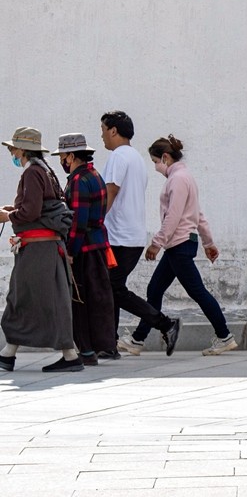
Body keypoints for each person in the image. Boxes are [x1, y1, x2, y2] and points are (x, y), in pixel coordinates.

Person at [125, 135, 237, 356]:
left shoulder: (176, 180)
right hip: (181, 244)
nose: (156, 166)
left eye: (155, 161)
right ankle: (138, 339)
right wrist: (208, 242)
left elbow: (173, 216)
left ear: (165, 157)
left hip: (179, 244)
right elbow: (198, 215)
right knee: (155, 289)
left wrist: (156, 243)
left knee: (197, 292)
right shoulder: (186, 177)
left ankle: (224, 336)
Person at [0, 127, 83, 372]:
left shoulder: (32, 173)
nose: (12, 153)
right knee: (43, 299)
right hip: (46, 248)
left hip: (38, 250)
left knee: (21, 297)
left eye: (13, 148)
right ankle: (67, 355)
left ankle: (11, 354)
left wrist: (7, 216)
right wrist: (13, 209)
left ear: (23, 150)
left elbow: (31, 212)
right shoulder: (45, 171)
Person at [100, 110, 180, 358]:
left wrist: (94, 222)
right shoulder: (135, 158)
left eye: (103, 130)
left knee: (112, 289)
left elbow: (110, 192)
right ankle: (109, 344)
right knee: (113, 288)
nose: (102, 135)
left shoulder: (118, 157)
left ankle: (165, 323)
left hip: (118, 237)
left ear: (114, 130)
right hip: (132, 236)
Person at [52, 133, 117, 365]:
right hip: (98, 245)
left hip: (84, 248)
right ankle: (96, 348)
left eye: (62, 156)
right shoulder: (95, 175)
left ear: (70, 156)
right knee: (97, 298)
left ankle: (87, 351)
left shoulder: (79, 181)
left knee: (80, 300)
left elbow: (78, 222)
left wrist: (70, 250)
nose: (61, 161)